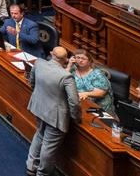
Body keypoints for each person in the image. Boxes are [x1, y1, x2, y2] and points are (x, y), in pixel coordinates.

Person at [26, 46, 79, 176]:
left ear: (51, 54)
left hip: (39, 108)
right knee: (48, 146)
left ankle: (31, 166)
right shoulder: (66, 76)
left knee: (39, 134)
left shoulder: (39, 63)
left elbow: (32, 82)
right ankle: (43, 173)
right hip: (55, 116)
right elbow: (74, 102)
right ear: (66, 59)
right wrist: (76, 117)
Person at [69, 48, 114, 115]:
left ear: (89, 60)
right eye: (78, 58)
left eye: (83, 58)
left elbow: (101, 93)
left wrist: (86, 94)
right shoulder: (72, 70)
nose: (80, 60)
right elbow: (62, 79)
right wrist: (69, 65)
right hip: (81, 104)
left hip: (99, 107)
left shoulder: (97, 74)